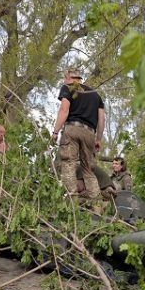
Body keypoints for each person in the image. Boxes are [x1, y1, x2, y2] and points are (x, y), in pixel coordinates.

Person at [51, 69, 105, 200]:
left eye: (64, 79)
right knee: (88, 170)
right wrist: (98, 139)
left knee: (68, 163)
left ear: (69, 77)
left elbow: (64, 110)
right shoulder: (95, 95)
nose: (64, 81)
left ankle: (72, 202)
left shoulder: (68, 87)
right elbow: (102, 119)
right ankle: (96, 205)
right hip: (90, 133)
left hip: (73, 129)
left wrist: (55, 132)